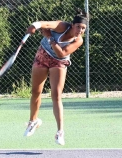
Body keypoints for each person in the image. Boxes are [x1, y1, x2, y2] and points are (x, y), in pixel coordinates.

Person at [23, 9, 89, 145]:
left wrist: (50, 38)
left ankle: (60, 132)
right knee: (36, 92)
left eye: (83, 28)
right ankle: (33, 121)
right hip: (42, 55)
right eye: (78, 27)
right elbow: (44, 24)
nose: (80, 30)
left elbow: (61, 53)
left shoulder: (79, 40)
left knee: (56, 95)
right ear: (72, 25)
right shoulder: (61, 26)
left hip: (59, 62)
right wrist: (34, 26)